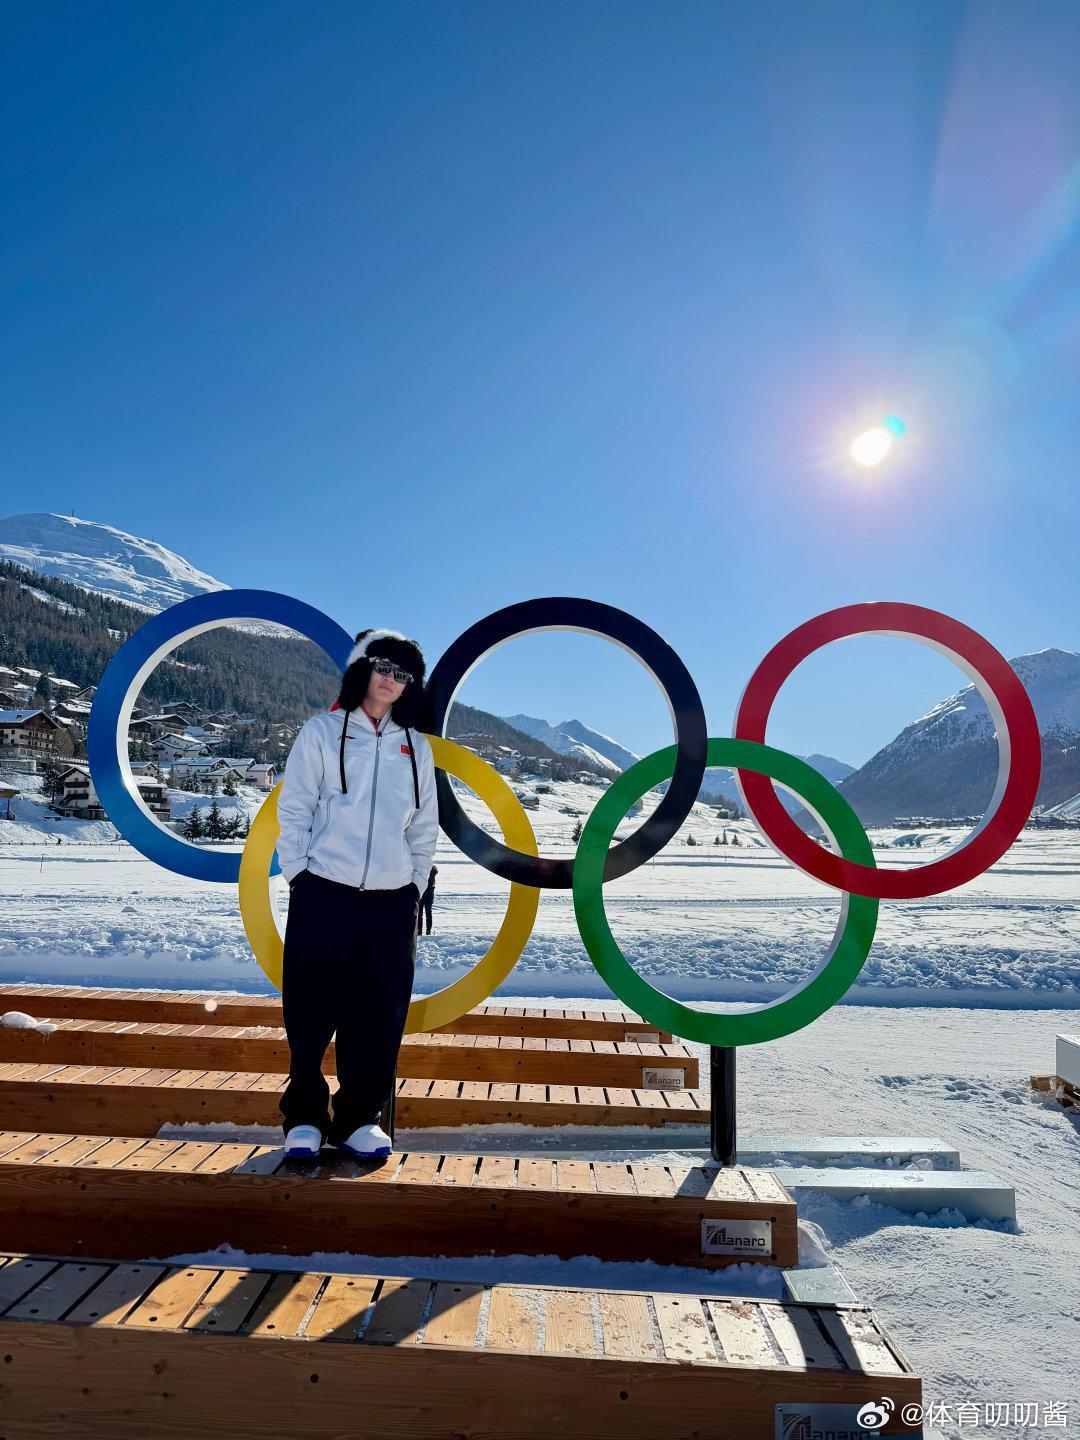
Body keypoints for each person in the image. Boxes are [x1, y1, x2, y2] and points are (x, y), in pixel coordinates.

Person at [274, 628, 439, 1161]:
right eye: (385, 667)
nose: (391, 680)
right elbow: (295, 805)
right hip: (323, 890)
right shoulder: (321, 731)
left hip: (390, 901)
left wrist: (413, 884)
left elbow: (424, 827)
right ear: (364, 669)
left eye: (403, 674)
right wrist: (299, 871)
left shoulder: (416, 748)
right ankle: (304, 1117)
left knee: (378, 1012)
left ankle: (357, 1119)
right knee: (310, 1007)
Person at [418, 863, 438, 935]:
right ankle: (419, 930)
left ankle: (428, 930)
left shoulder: (432, 869)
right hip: (423, 893)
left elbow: (434, 871)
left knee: (428, 913)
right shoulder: (422, 869)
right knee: (420, 913)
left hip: (428, 893)